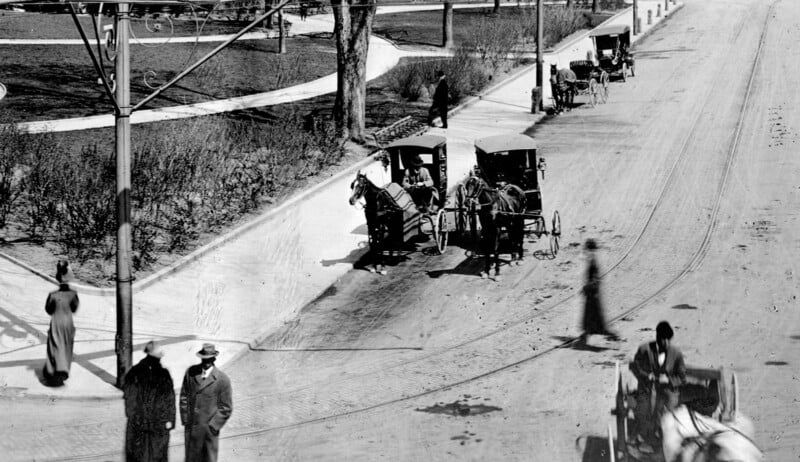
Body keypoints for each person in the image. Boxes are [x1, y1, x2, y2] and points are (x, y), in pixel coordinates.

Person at [629, 321, 687, 451]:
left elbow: (683, 378)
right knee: (644, 411)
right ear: (657, 337)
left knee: (668, 416)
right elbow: (634, 367)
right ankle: (647, 439)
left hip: (668, 390)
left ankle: (666, 440)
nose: (665, 343)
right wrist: (646, 375)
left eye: (668, 339)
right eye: (662, 339)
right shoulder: (644, 349)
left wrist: (669, 379)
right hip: (648, 388)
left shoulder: (676, 353)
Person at [124, 341, 175, 462]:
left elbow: (129, 399)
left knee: (141, 455)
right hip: (155, 424)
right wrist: (170, 419)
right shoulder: (162, 374)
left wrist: (134, 417)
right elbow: (169, 399)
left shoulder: (134, 372)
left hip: (142, 423)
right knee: (155, 455)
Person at [180, 343, 233, 462]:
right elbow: (184, 396)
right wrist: (186, 420)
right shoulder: (191, 373)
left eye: (209, 359)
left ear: (214, 359)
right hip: (192, 431)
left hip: (208, 433)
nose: (206, 362)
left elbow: (226, 408)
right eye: (204, 359)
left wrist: (213, 426)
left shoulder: (222, 379)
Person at [43, 260, 79, 386]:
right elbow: (74, 308)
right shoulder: (73, 294)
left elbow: (48, 309)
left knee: (54, 345)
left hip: (56, 322)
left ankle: (53, 370)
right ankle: (63, 370)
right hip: (68, 322)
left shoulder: (52, 295)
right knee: (66, 345)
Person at [579, 239, 620, 343]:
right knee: (593, 313)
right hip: (592, 290)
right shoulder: (593, 259)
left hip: (592, 291)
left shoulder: (592, 260)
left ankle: (588, 333)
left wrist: (587, 287)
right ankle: (589, 332)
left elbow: (594, 278)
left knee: (591, 312)